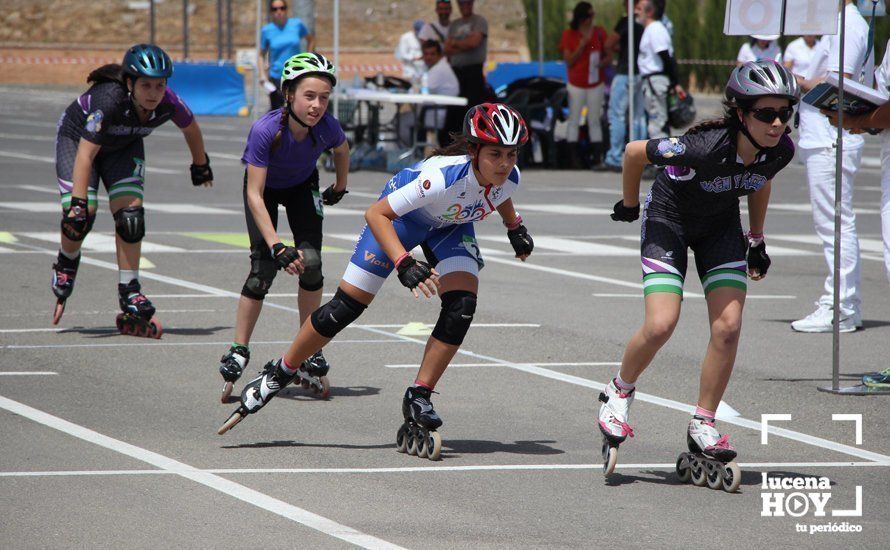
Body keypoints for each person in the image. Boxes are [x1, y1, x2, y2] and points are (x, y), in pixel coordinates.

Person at [219, 104, 536, 461]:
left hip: (449, 225)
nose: (505, 163)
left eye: (511, 154)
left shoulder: (508, 176)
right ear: (473, 151)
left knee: (462, 305)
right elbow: (376, 213)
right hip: (399, 220)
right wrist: (403, 263)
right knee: (346, 308)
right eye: (495, 154)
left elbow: (498, 192)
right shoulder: (441, 177)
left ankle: (419, 394)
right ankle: (281, 371)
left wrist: (515, 227)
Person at [602, 60, 798, 484]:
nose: (778, 122)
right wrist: (631, 204)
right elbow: (635, 151)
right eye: (767, 114)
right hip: (669, 219)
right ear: (742, 113)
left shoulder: (780, 149)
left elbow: (761, 177)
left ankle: (703, 422)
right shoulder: (702, 147)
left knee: (728, 326)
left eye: (786, 113)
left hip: (720, 227)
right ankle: (619, 391)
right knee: (661, 324)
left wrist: (757, 239)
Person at [50, 44, 212, 336]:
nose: (154, 93)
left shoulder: (169, 102)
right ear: (129, 83)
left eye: (160, 85)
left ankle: (130, 290)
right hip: (77, 141)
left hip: (122, 147)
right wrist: (76, 203)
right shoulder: (109, 102)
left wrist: (200, 165)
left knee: (131, 218)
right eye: (146, 85)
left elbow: (191, 129)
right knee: (81, 215)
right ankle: (66, 261)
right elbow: (86, 155)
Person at [218, 53, 350, 403]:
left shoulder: (326, 125)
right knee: (262, 270)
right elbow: (255, 195)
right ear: (289, 94)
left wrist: (340, 185)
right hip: (265, 189)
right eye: (310, 96)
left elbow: (342, 148)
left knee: (313, 264)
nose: (318, 105)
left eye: (324, 97)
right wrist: (277, 245)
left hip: (302, 185)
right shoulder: (265, 130)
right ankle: (239, 348)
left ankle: (308, 345)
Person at [791, 0, 873, 333]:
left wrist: (794, 80)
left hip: (832, 137)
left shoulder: (848, 24)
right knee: (833, 224)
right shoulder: (837, 23)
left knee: (836, 225)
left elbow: (839, 87)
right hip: (822, 136)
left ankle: (841, 305)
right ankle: (842, 303)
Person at [558, 2, 610, 169]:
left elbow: (608, 54)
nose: (591, 19)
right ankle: (574, 159)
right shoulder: (569, 34)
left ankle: (597, 158)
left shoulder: (600, 32)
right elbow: (569, 60)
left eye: (592, 15)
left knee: (594, 119)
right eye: (588, 15)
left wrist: (603, 63)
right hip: (576, 83)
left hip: (596, 82)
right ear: (581, 17)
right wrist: (582, 45)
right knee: (574, 119)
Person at [604, 0, 646, 172]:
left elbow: (608, 43)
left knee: (617, 115)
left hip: (625, 72)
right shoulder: (647, 23)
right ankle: (641, 154)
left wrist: (619, 48)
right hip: (641, 73)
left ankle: (614, 156)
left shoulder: (626, 22)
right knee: (638, 116)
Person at [636, 0, 685, 141]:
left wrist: (675, 82)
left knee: (658, 124)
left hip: (656, 81)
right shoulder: (652, 29)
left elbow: (667, 58)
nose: (636, 12)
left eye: (640, 8)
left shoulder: (656, 29)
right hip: (651, 80)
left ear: (650, 11)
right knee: (656, 122)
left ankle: (661, 161)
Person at [259, 0, 315, 111]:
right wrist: (262, 74)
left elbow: (311, 40)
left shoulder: (296, 24)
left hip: (296, 74)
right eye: (275, 9)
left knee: (296, 109)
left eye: (282, 8)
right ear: (271, 12)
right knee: (278, 111)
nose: (279, 11)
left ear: (286, 9)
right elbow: (261, 54)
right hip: (276, 76)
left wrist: (308, 59)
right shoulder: (267, 30)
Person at [445, 0, 490, 109]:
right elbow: (447, 49)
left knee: (474, 107)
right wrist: (465, 45)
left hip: (473, 72)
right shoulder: (454, 24)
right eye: (461, 3)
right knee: (455, 107)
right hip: (455, 72)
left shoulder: (479, 21)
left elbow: (473, 43)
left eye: (467, 2)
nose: (464, 5)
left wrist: (455, 43)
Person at [420, 39, 460, 145]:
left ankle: (409, 155)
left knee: (404, 122)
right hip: (440, 111)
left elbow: (423, 89)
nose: (428, 57)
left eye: (432, 54)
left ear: (439, 55)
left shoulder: (439, 69)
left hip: (441, 114)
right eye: (426, 54)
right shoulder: (435, 67)